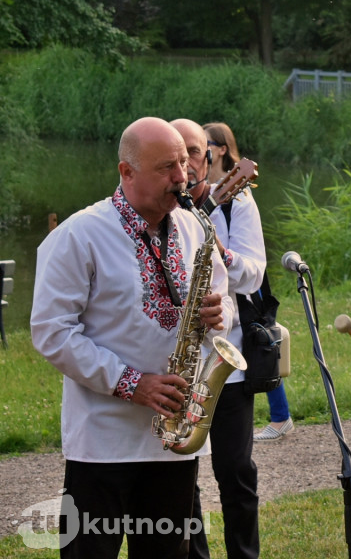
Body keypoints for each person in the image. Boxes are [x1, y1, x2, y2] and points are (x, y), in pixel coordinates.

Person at [30, 117, 232, 559]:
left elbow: (224, 299)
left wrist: (220, 313)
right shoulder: (79, 235)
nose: (182, 177)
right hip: (102, 443)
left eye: (184, 163)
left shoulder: (194, 227)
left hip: (174, 441)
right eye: (166, 168)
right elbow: (51, 331)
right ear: (127, 172)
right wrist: (131, 383)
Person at [170, 119, 267, 559]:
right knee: (179, 474)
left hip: (224, 360)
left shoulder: (234, 202)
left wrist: (218, 251)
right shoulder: (156, 206)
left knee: (236, 470)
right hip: (174, 362)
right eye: (178, 153)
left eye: (194, 151)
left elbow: (254, 275)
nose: (186, 162)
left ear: (210, 158)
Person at [203, 121, 295, 443]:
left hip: (238, 298)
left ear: (221, 149)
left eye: (204, 145)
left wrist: (223, 256)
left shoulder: (236, 196)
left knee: (258, 349)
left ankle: (281, 416)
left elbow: (251, 264)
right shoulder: (190, 194)